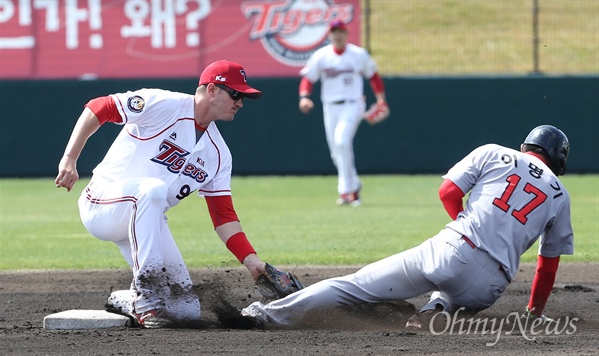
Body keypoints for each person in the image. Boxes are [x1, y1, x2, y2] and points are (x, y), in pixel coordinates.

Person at [242, 125, 573, 329]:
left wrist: (460, 222)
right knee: (454, 293)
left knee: (353, 286)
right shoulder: (560, 195)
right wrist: (533, 312)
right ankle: (435, 309)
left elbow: (448, 192)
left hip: (453, 250)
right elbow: (548, 265)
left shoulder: (493, 152)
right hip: (490, 285)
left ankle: (265, 315)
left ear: (526, 146)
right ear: (558, 160)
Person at [55, 60, 270, 329]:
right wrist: (69, 158)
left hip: (145, 222)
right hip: (102, 203)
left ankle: (128, 299)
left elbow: (223, 216)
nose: (240, 102)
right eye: (236, 94)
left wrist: (252, 262)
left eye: (243, 96)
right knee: (152, 189)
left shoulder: (218, 154)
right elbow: (100, 106)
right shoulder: (164, 104)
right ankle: (146, 296)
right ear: (212, 89)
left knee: (185, 309)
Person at [298, 20, 388, 206]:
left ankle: (347, 192)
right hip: (330, 107)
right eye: (334, 31)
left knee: (341, 140)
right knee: (336, 153)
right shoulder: (321, 56)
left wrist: (381, 99)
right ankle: (354, 184)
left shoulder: (358, 54)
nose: (337, 35)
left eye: (341, 31)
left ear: (346, 34)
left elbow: (373, 75)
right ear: (329, 34)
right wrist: (304, 97)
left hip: (353, 104)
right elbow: (308, 78)